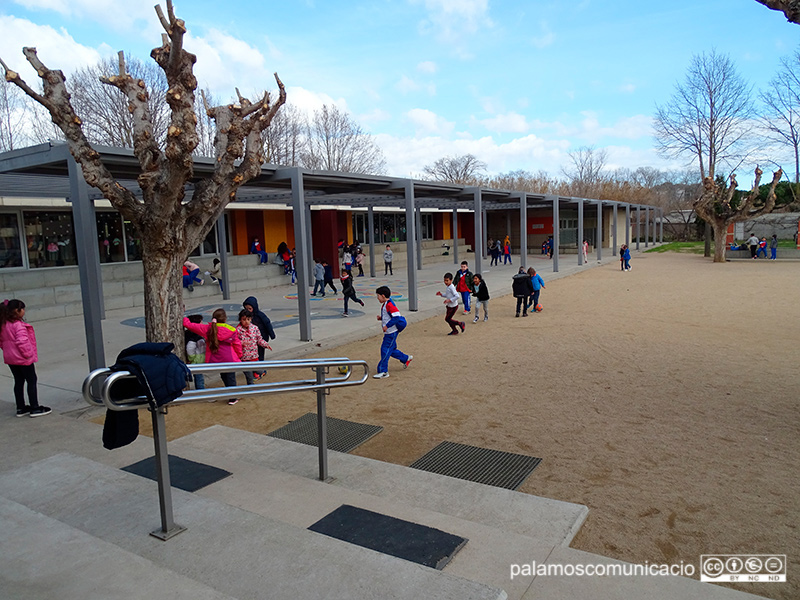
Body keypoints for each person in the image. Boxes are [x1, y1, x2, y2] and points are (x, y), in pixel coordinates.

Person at [0, 299, 50, 417]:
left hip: (11, 359)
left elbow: (2, 342)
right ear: (17, 311)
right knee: (31, 380)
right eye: (22, 309)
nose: (24, 311)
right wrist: (28, 355)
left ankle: (20, 407)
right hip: (23, 359)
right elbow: (22, 342)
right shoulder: (18, 326)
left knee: (18, 381)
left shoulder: (3, 325)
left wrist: (9, 352)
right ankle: (34, 407)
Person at [183, 308, 242, 404]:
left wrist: (184, 317)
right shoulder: (231, 329)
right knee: (230, 377)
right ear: (225, 319)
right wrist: (239, 355)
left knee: (223, 375)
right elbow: (237, 344)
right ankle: (233, 397)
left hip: (215, 359)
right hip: (229, 358)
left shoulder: (207, 329)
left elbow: (189, 325)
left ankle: (231, 394)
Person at [374, 285, 411, 379]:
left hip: (391, 332)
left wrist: (387, 326)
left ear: (383, 296)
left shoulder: (389, 304)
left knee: (385, 349)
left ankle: (383, 371)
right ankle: (405, 358)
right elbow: (389, 316)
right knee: (392, 349)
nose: (377, 298)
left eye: (378, 296)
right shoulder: (386, 304)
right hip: (390, 332)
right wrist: (381, 318)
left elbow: (396, 317)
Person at [242, 296, 276, 380]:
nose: (248, 310)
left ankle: (261, 370)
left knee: (260, 354)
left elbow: (267, 324)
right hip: (252, 340)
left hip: (262, 337)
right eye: (246, 309)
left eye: (250, 308)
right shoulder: (246, 317)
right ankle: (255, 369)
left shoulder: (260, 315)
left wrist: (272, 335)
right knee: (253, 354)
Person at [236, 309, 272, 385]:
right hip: (244, 358)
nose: (246, 321)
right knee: (249, 377)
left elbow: (259, 339)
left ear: (251, 319)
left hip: (254, 356)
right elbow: (235, 342)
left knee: (260, 370)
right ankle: (251, 389)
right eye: (244, 319)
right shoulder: (237, 330)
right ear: (240, 320)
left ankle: (258, 373)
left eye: (248, 319)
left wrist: (265, 344)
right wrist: (241, 343)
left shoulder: (254, 328)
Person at [184, 314, 206, 390]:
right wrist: (192, 358)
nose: (202, 324)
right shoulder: (195, 336)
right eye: (201, 322)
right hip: (196, 360)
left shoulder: (189, 334)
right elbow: (190, 348)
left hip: (196, 359)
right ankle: (201, 392)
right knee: (199, 377)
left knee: (199, 376)